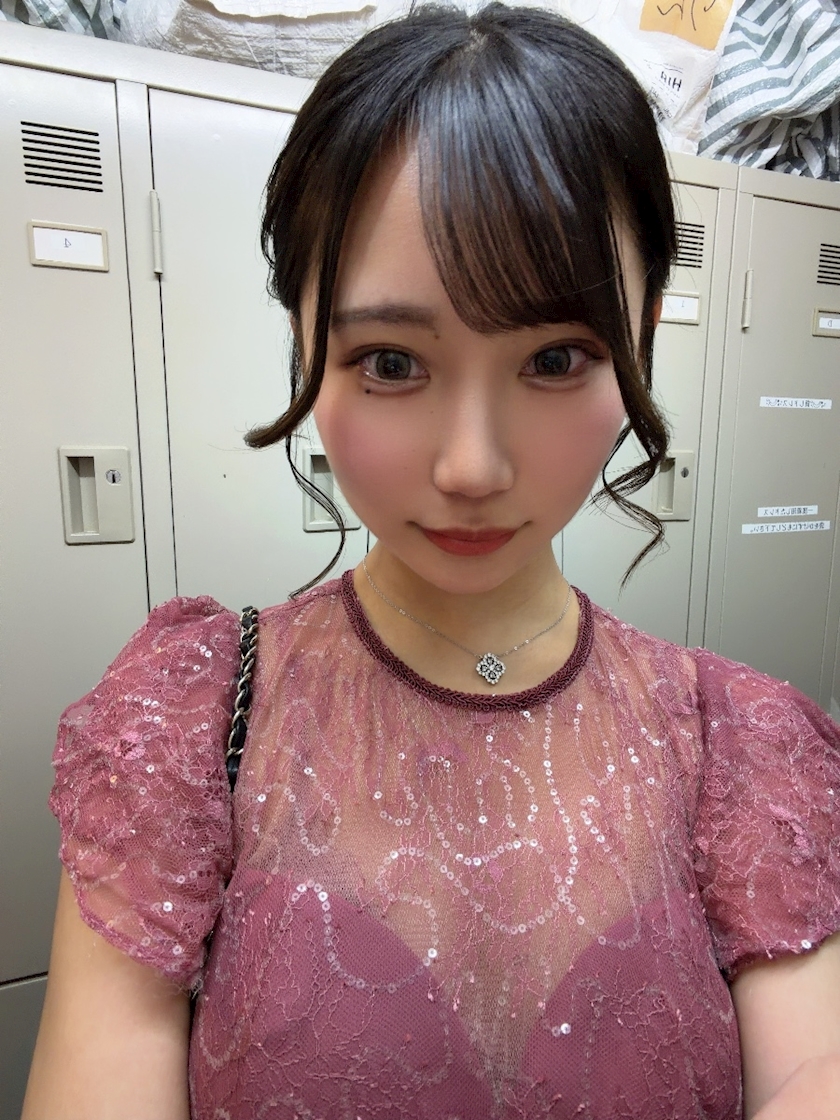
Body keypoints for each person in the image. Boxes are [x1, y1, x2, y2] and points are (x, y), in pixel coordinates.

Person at [22, 5, 840, 1119]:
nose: (471, 466)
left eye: (556, 357)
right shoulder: (187, 723)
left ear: (641, 340)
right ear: (305, 342)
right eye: (393, 362)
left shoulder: (739, 748)